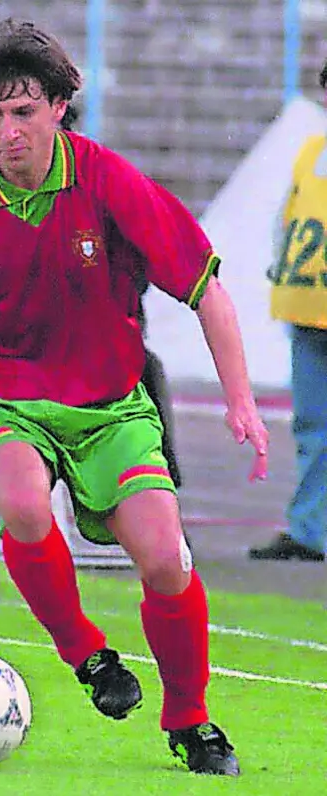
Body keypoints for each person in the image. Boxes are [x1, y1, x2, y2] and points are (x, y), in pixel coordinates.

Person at [0, 19, 269, 776]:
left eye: (23, 112)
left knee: (167, 560)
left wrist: (240, 400)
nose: (8, 131)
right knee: (19, 499)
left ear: (58, 107)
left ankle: (191, 719)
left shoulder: (108, 181)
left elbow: (209, 293)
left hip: (107, 404)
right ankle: (85, 652)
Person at [0, 103, 182, 538]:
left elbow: (135, 285)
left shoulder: (107, 192)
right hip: (1, 345)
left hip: (81, 349)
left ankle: (161, 502)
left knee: (145, 368)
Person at [249, 59, 327, 563]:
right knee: (313, 426)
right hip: (307, 306)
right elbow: (289, 219)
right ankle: (309, 530)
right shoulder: (314, 149)